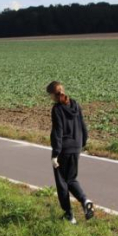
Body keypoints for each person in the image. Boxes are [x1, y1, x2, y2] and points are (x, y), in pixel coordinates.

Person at [47, 81, 94, 224]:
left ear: (52, 95)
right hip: (76, 146)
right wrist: (82, 143)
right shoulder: (75, 104)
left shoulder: (57, 109)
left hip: (64, 149)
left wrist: (55, 154)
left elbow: (58, 132)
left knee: (62, 182)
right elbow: (83, 126)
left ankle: (69, 215)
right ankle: (85, 200)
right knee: (71, 178)